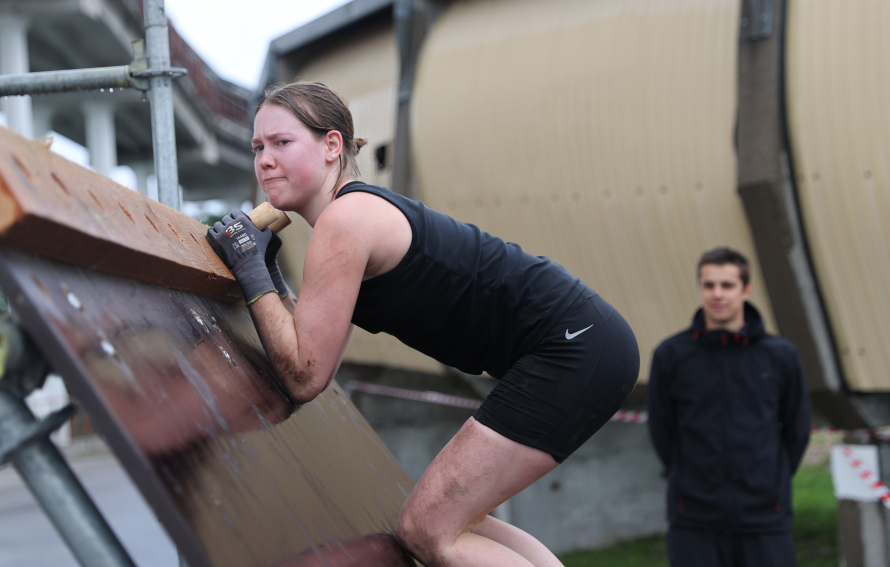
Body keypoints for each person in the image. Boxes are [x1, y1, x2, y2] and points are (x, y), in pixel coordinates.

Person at [207, 81, 640, 567]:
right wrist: (266, 274)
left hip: (570, 347)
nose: (264, 160)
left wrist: (250, 271)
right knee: (458, 519)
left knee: (427, 530)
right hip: (590, 343)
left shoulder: (346, 219)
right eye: (257, 147)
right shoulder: (351, 215)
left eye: (281, 142)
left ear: (331, 146)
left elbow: (303, 376)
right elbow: (312, 354)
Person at [647, 248, 811, 567]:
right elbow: (662, 431)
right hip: (694, 519)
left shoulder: (780, 355)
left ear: (746, 290)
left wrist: (769, 481)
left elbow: (798, 429)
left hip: (765, 517)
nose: (717, 294)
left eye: (727, 285)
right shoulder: (671, 355)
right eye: (708, 285)